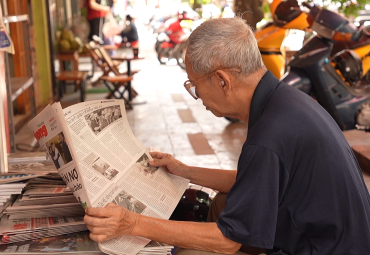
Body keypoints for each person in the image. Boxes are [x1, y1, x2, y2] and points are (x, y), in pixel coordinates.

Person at [84, 17, 370, 255]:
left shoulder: (270, 134)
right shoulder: (282, 102)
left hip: (326, 248)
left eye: (195, 86)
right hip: (340, 239)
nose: (197, 98)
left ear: (222, 80)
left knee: (190, 252)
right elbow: (256, 180)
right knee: (222, 201)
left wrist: (131, 223)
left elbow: (227, 239)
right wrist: (184, 171)